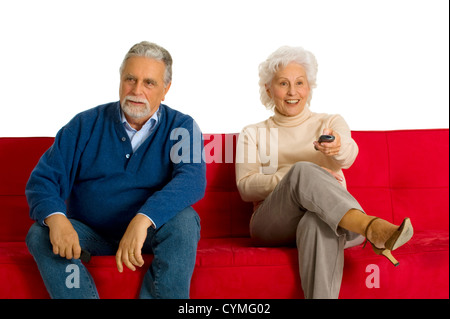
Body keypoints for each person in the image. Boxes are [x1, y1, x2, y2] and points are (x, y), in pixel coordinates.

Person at [25, 41, 206, 299]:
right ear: (120, 80)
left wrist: (143, 219)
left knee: (186, 221)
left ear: (166, 89)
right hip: (90, 234)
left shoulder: (182, 127)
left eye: (149, 83)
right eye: (130, 79)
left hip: (148, 234)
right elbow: (43, 180)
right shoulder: (85, 124)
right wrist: (58, 220)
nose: (137, 90)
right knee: (40, 233)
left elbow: (191, 180)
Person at [235, 46, 413, 299]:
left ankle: (366, 228)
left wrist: (337, 147)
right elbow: (245, 187)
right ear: (268, 89)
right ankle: (370, 227)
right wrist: (293, 176)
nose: (292, 91)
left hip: (331, 218)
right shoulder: (253, 132)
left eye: (300, 82)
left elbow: (349, 155)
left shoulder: (329, 122)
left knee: (316, 221)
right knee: (301, 170)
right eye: (283, 83)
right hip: (272, 223)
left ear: (309, 87)